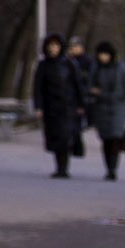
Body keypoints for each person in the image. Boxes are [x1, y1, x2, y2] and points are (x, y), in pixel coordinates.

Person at [33, 33, 85, 178]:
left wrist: (81, 104)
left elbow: (77, 85)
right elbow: (38, 87)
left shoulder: (69, 64)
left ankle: (64, 168)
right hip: (50, 107)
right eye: (51, 46)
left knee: (65, 136)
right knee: (55, 136)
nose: (53, 49)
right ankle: (59, 167)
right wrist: (38, 107)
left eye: (56, 46)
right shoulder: (43, 65)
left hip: (68, 106)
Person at [87, 41, 125, 181]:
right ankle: (108, 167)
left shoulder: (121, 67)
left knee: (116, 137)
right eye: (101, 55)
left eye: (105, 54)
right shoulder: (96, 68)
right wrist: (93, 92)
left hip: (118, 107)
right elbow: (90, 86)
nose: (103, 57)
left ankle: (113, 169)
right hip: (101, 107)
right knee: (106, 139)